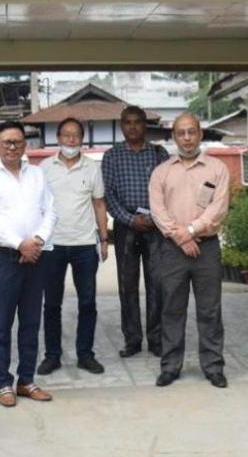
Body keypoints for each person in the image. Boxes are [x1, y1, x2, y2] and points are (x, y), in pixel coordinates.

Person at [0, 120, 58, 407]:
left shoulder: (37, 174)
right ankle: (3, 383)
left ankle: (26, 381)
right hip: (6, 259)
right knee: (3, 323)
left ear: (25, 145)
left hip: (36, 257)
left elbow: (51, 212)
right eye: (6, 142)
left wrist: (36, 241)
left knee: (31, 322)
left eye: (17, 142)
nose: (12, 147)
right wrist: (19, 244)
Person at [149, 113, 231, 388]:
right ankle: (170, 366)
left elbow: (218, 208)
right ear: (173, 137)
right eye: (181, 133)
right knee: (172, 308)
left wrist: (192, 231)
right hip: (172, 250)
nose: (186, 138)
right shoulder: (161, 172)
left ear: (200, 134)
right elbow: (158, 211)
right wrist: (181, 237)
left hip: (207, 249)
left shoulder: (217, 169)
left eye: (191, 132)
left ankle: (213, 366)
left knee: (210, 310)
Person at [37, 117, 109, 376]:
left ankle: (85, 355)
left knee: (87, 302)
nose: (71, 139)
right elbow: (37, 206)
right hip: (52, 245)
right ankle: (52, 356)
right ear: (58, 138)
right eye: (66, 135)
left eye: (75, 135)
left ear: (82, 139)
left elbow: (99, 204)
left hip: (84, 245)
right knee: (51, 304)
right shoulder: (44, 168)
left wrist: (104, 239)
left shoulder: (92, 168)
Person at [101, 105, 171, 358]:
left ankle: (156, 339)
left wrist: (155, 218)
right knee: (127, 285)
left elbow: (169, 190)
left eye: (137, 122)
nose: (132, 127)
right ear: (122, 126)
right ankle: (132, 340)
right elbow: (108, 195)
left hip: (156, 226)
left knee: (157, 284)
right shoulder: (112, 156)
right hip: (126, 226)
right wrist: (131, 219)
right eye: (127, 122)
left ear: (145, 125)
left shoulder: (159, 153)